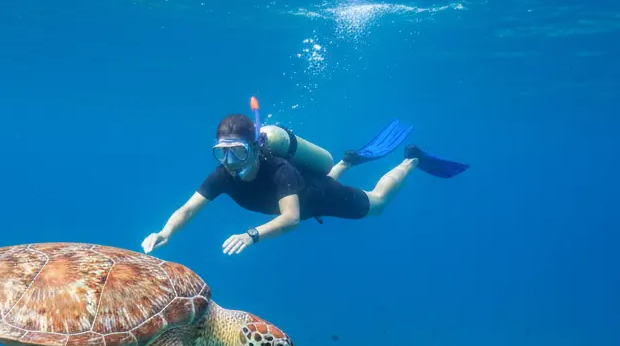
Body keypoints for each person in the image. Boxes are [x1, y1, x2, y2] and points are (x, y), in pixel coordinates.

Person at [141, 111, 467, 256]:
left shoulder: (279, 170)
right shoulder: (223, 175)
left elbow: (291, 219)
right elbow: (188, 209)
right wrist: (165, 232)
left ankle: (411, 159)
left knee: (378, 203)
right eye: (222, 153)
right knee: (321, 180)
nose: (230, 161)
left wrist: (251, 235)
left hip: (320, 197)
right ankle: (347, 161)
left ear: (253, 147)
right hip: (306, 186)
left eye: (237, 152)